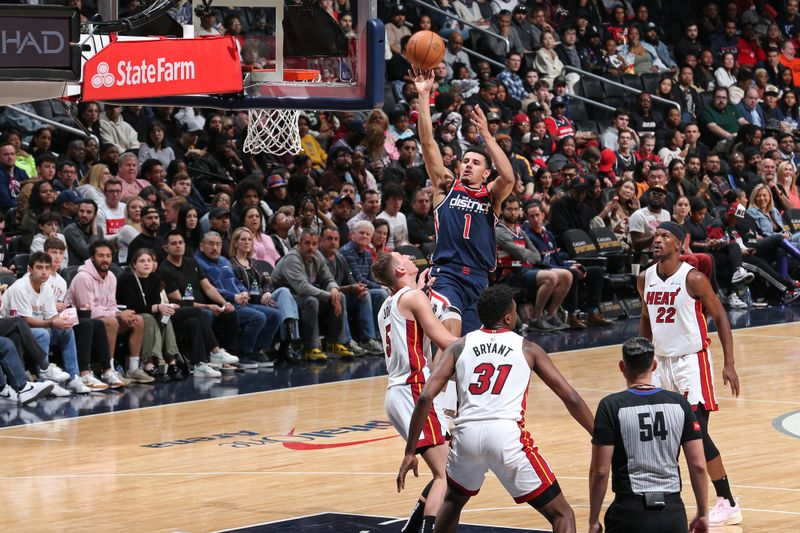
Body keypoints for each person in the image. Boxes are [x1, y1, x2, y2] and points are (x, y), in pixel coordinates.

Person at [397, 284, 594, 533]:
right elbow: (571, 398)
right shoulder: (528, 348)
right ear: (509, 317)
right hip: (505, 435)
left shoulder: (459, 346)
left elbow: (425, 397)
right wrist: (597, 433)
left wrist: (410, 451)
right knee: (562, 514)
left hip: (466, 435)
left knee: (453, 501)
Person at [638, 222, 743, 527]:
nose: (657, 240)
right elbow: (646, 319)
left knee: (696, 435)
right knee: (662, 435)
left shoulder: (694, 279)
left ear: (679, 244)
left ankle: (727, 501)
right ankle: (668, 498)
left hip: (691, 363)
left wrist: (729, 362)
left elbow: (721, 316)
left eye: (664, 236)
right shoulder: (645, 278)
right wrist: (643, 363)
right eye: (655, 236)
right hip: (660, 363)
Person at [413, 67, 515, 337]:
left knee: (469, 346)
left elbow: (509, 177)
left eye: (476, 162)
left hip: (479, 279)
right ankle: (436, 381)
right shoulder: (446, 186)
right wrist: (424, 96)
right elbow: (427, 143)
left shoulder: (491, 195)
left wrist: (487, 136)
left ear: (486, 172)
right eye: (465, 161)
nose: (468, 165)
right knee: (451, 335)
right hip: (447, 275)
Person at [371, 252, 459, 533]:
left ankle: (412, 526)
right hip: (414, 389)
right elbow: (444, 339)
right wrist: (484, 342)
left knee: (446, 467)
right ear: (399, 269)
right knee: (446, 475)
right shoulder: (413, 298)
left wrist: (418, 289)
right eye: (402, 256)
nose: (409, 256)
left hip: (397, 392)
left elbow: (408, 321)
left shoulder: (389, 303)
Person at [588, 337, 709, 533]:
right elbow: (699, 465)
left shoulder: (610, 406)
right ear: (654, 365)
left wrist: (593, 519)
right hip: (672, 514)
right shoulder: (680, 404)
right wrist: (703, 513)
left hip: (629, 514)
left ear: (622, 366)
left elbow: (600, 471)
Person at [0, 251, 91, 395]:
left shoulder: (47, 287)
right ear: (30, 270)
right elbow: (24, 321)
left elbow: (52, 316)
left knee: (67, 331)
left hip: (37, 327)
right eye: (39, 267)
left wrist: (63, 320)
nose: (44, 272)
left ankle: (74, 377)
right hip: (15, 330)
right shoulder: (20, 287)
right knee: (43, 333)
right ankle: (45, 378)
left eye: (47, 267)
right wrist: (52, 324)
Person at [66, 240, 152, 384]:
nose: (105, 259)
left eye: (108, 256)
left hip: (102, 319)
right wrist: (118, 315)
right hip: (81, 322)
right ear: (92, 258)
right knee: (112, 322)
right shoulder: (83, 278)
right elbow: (88, 312)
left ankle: (133, 369)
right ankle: (109, 370)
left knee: (137, 319)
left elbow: (112, 304)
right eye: (101, 256)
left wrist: (121, 313)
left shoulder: (111, 276)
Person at [195, 231, 282, 367]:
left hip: (239, 301)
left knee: (275, 315)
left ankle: (256, 350)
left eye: (218, 244)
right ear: (202, 246)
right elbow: (209, 289)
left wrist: (243, 292)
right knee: (258, 318)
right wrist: (233, 297)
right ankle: (242, 353)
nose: (215, 248)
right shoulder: (198, 263)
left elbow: (235, 281)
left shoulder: (224, 260)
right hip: (222, 305)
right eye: (211, 244)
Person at [158, 230, 239, 376]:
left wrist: (224, 303)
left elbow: (207, 287)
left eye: (180, 243)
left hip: (193, 313)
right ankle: (215, 351)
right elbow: (180, 302)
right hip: (175, 312)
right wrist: (207, 306)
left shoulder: (191, 262)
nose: (178, 246)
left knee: (201, 320)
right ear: (166, 248)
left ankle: (200, 364)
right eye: (174, 243)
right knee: (201, 314)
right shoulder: (165, 270)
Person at [270, 229, 353, 361]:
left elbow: (327, 278)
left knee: (340, 296)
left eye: (314, 244)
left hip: (300, 298)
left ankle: (335, 343)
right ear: (299, 243)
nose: (311, 247)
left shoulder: (317, 256)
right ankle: (311, 347)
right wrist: (330, 296)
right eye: (307, 243)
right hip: (283, 300)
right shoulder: (292, 258)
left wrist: (334, 289)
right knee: (312, 301)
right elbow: (303, 288)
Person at [63, 199, 104, 266]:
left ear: (95, 215)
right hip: (76, 270)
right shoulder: (70, 230)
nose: (84, 215)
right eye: (81, 211)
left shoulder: (98, 229)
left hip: (95, 268)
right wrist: (94, 233)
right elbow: (86, 253)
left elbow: (102, 250)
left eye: (89, 212)